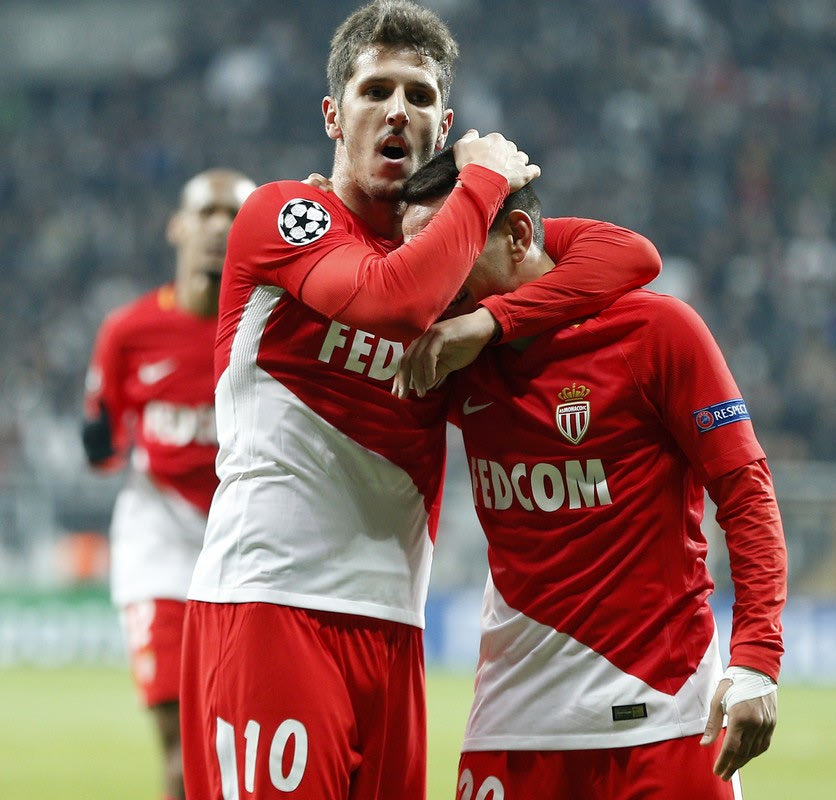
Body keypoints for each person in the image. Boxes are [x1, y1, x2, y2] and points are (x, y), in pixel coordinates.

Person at [179, 2, 661, 799]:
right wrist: (484, 180)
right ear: (334, 116)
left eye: (420, 94)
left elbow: (628, 255)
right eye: (375, 91)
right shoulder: (285, 215)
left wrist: (489, 321)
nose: (398, 109)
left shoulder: (453, 262)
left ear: (445, 124)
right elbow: (392, 301)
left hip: (395, 625)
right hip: (271, 603)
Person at [397, 149, 787, 798]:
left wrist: (756, 660)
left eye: (449, 246)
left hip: (663, 710)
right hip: (512, 718)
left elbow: (746, 494)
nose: (427, 275)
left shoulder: (657, 332)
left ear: (518, 236)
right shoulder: (451, 357)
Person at [82, 167, 256, 800]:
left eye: (235, 216)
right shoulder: (128, 332)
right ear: (177, 227)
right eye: (207, 213)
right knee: (181, 749)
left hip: (244, 536)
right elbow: (102, 448)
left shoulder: (267, 330)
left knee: (238, 741)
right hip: (158, 535)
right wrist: (100, 441)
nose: (219, 228)